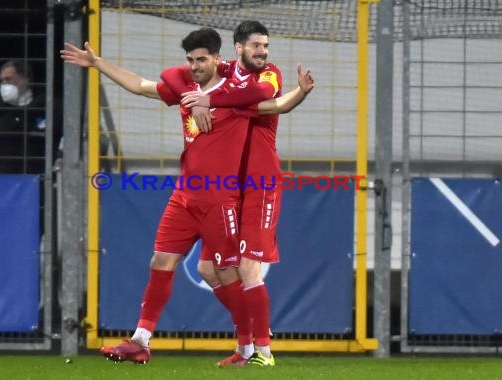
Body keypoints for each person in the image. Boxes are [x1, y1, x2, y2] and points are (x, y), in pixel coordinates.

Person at [60, 28, 313, 366]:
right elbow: (141, 85)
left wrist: (301, 92)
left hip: (220, 201)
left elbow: (276, 103)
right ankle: (141, 340)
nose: (194, 66)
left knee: (229, 273)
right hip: (184, 197)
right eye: (191, 60)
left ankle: (253, 347)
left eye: (201, 60)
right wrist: (97, 63)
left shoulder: (238, 96)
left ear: (218, 60)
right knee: (161, 262)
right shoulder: (187, 91)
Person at [161, 20, 292, 367]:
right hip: (227, 188)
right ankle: (246, 341)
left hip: (260, 185)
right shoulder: (223, 70)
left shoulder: (270, 75)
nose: (263, 52)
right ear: (238, 49)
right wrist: (202, 100)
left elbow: (266, 98)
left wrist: (209, 98)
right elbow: (174, 74)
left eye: (265, 46)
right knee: (206, 269)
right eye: (256, 46)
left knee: (247, 269)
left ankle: (263, 352)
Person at [0, 60, 59, 174]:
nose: (4, 85)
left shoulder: (48, 110)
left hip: (38, 185)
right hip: (1, 186)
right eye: (2, 81)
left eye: (9, 79)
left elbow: (62, 142)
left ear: (25, 80)